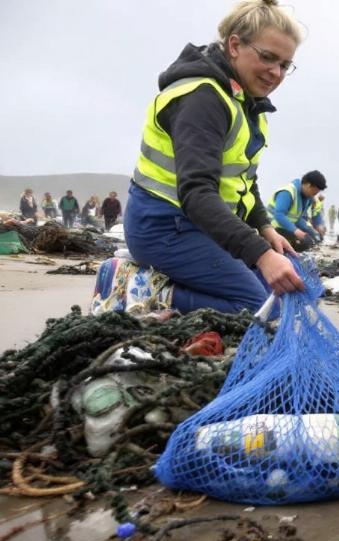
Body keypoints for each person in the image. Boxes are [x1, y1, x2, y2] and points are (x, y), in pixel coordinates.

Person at [123, 0, 305, 314]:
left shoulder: (245, 102)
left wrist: (265, 228)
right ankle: (131, 286)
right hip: (163, 228)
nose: (276, 73)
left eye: (285, 65)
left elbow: (244, 179)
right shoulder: (202, 99)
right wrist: (261, 254)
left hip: (200, 226)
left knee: (282, 295)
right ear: (235, 45)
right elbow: (197, 193)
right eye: (268, 58)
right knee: (259, 307)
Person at [268, 170, 325, 252]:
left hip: (287, 227)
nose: (314, 196)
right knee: (304, 243)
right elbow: (279, 215)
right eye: (314, 192)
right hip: (273, 227)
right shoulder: (287, 192)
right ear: (308, 185)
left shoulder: (306, 198)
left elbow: (297, 218)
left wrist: (312, 230)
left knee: (314, 238)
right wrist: (296, 231)